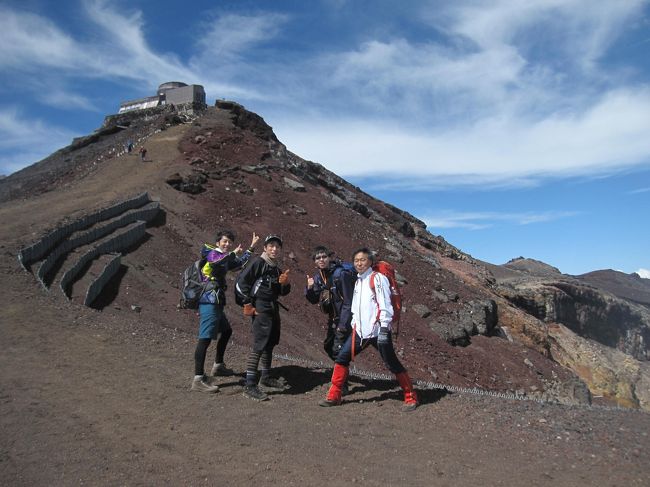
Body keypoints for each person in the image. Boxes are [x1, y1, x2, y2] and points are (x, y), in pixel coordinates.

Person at [319, 247, 418, 411]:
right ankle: (334, 395)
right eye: (356, 260)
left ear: (370, 261)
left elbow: (385, 304)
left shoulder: (377, 278)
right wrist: (354, 325)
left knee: (391, 362)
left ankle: (411, 396)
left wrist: (384, 328)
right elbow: (356, 307)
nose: (359, 263)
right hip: (360, 332)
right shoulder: (359, 280)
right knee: (342, 358)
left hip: (378, 331)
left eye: (363, 259)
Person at [191, 230, 259, 393]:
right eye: (225, 241)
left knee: (227, 331)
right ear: (218, 242)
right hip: (209, 300)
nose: (227, 244)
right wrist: (232, 254)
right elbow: (216, 263)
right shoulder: (212, 253)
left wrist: (251, 248)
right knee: (205, 338)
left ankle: (218, 366)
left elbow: (239, 264)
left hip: (216, 301)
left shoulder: (224, 256)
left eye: (229, 242)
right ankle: (198, 379)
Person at [235, 235, 291, 401]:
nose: (274, 249)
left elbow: (282, 292)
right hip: (260, 307)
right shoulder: (258, 263)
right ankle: (250, 384)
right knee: (260, 343)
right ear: (265, 248)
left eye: (277, 246)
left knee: (270, 342)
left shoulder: (274, 267)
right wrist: (247, 303)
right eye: (271, 246)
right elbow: (240, 284)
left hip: (272, 307)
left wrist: (285, 284)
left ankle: (265, 376)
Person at [305, 246, 354, 362]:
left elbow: (348, 302)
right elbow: (313, 299)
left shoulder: (340, 274)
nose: (321, 260)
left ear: (329, 258)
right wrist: (310, 288)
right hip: (334, 319)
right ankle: (342, 373)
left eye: (324, 257)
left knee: (338, 350)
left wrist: (342, 325)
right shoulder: (319, 278)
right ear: (315, 262)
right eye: (318, 258)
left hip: (346, 319)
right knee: (329, 346)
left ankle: (340, 379)